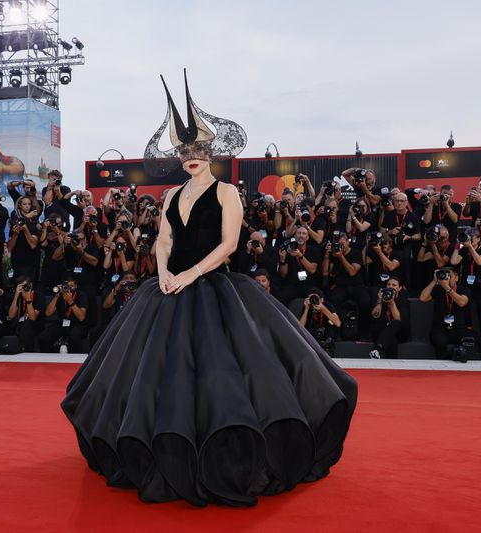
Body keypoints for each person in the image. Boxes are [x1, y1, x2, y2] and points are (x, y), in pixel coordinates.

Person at [61, 71, 357, 507]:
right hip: (166, 289)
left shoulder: (226, 193)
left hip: (215, 287)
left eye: (198, 149)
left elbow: (230, 245)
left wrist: (190, 274)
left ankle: (222, 451)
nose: (190, 157)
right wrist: (162, 272)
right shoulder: (169, 196)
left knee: (219, 372)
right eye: (184, 150)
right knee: (154, 374)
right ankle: (161, 449)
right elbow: (163, 240)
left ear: (213, 152)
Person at [419, 267, 471, 361]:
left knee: (467, 340)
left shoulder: (464, 289)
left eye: (450, 276)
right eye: (445, 276)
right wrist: (434, 281)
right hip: (440, 328)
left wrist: (447, 287)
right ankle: (443, 362)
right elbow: (423, 298)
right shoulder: (438, 289)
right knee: (440, 341)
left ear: (457, 278)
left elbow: (462, 302)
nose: (447, 279)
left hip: (458, 327)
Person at [368, 276, 410, 359]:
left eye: (394, 285)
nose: (390, 286)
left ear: (399, 288)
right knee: (392, 341)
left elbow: (397, 319)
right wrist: (379, 301)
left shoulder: (403, 301)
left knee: (395, 323)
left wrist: (391, 302)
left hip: (400, 332)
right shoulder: (379, 298)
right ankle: (391, 365)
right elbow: (375, 315)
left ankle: (378, 349)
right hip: (383, 331)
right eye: (388, 284)